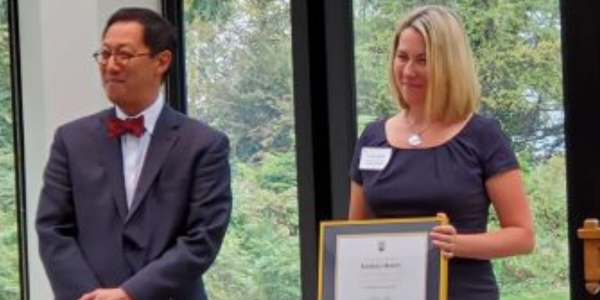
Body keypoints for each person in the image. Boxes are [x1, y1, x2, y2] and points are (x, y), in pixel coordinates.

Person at [36, 7, 232, 300]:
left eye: (124, 55)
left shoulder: (204, 144)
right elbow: (53, 229)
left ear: (162, 61)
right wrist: (90, 296)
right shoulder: (71, 139)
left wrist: (130, 294)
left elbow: (202, 238)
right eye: (104, 54)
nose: (111, 65)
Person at [348, 5, 534, 300]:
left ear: (449, 65)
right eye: (402, 57)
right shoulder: (372, 138)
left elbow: (523, 236)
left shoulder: (483, 135)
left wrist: (458, 244)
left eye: (423, 60)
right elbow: (355, 237)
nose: (408, 71)